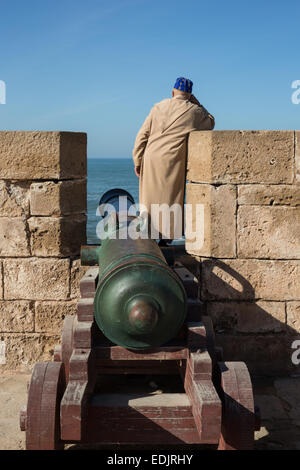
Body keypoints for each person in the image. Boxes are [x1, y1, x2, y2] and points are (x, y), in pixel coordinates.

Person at [132, 77, 215, 242]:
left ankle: (147, 232)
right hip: (172, 159)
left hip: (151, 157)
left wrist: (137, 159)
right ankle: (166, 237)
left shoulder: (158, 107)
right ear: (190, 95)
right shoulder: (195, 112)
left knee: (148, 199)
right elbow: (211, 122)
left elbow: (142, 135)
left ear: (172, 92)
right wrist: (197, 103)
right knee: (169, 200)